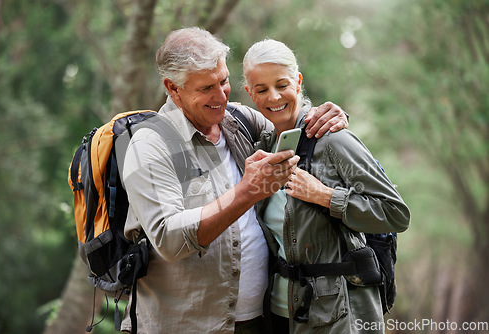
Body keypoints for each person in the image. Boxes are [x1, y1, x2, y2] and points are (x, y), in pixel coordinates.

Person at [119, 27, 349, 334]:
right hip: (182, 327)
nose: (220, 96)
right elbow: (169, 239)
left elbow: (293, 120)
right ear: (173, 88)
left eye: (224, 81)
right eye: (205, 89)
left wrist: (329, 116)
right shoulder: (149, 144)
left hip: (257, 322)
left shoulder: (239, 121)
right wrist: (248, 191)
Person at [242, 39, 410, 334]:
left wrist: (325, 196)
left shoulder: (333, 139)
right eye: (261, 89)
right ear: (249, 93)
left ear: (298, 81)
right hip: (280, 314)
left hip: (339, 317)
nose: (274, 96)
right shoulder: (259, 147)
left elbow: (395, 213)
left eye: (282, 84)